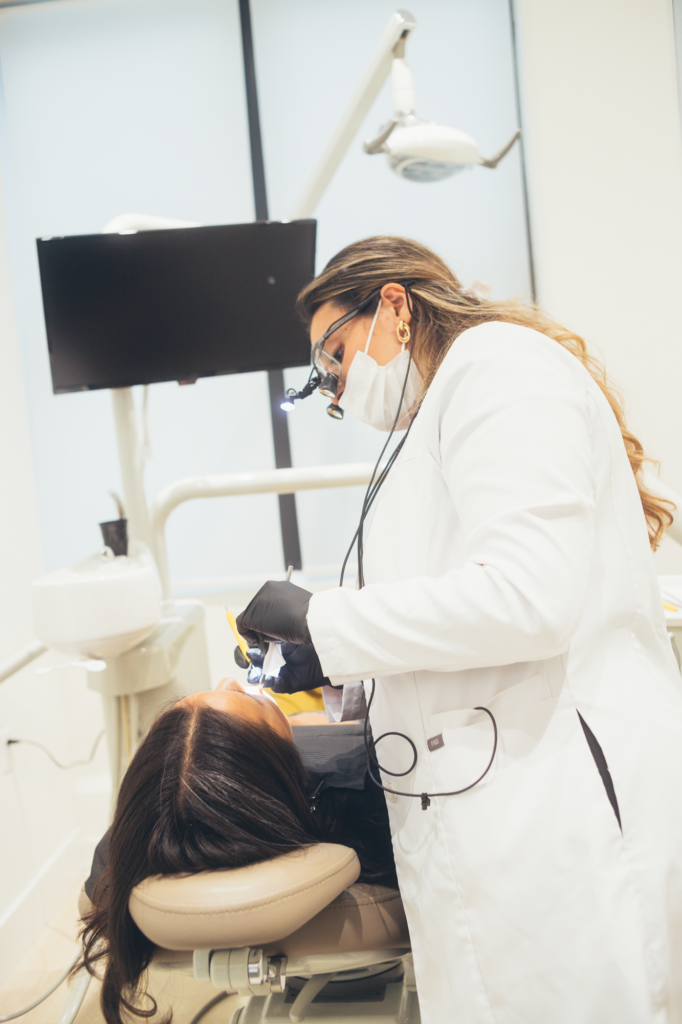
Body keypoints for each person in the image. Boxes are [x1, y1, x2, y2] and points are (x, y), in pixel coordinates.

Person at [236, 235, 682, 1023]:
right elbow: (445, 611)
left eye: (334, 353)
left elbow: (526, 598)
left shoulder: (497, 368)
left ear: (395, 305)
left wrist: (323, 621)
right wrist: (332, 663)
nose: (337, 386)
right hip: (480, 801)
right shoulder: (431, 422)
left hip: (558, 803)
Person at [78, 680, 396, 1024]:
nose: (229, 681)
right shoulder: (375, 799)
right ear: (290, 771)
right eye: (254, 703)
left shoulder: (133, 838)